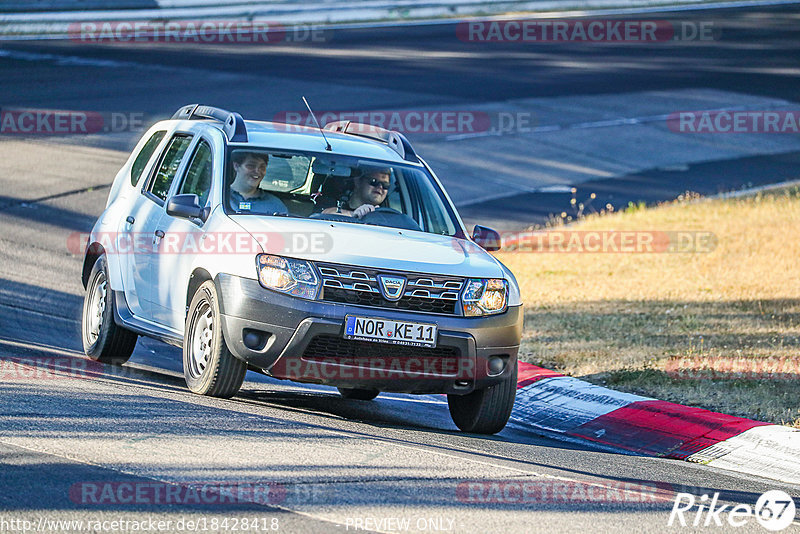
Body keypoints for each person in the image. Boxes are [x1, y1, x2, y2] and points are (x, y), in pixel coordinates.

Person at [321, 167, 391, 218]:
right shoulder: (333, 204)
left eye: (385, 185)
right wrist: (355, 214)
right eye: (374, 181)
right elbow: (325, 215)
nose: (380, 187)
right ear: (357, 182)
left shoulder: (389, 217)